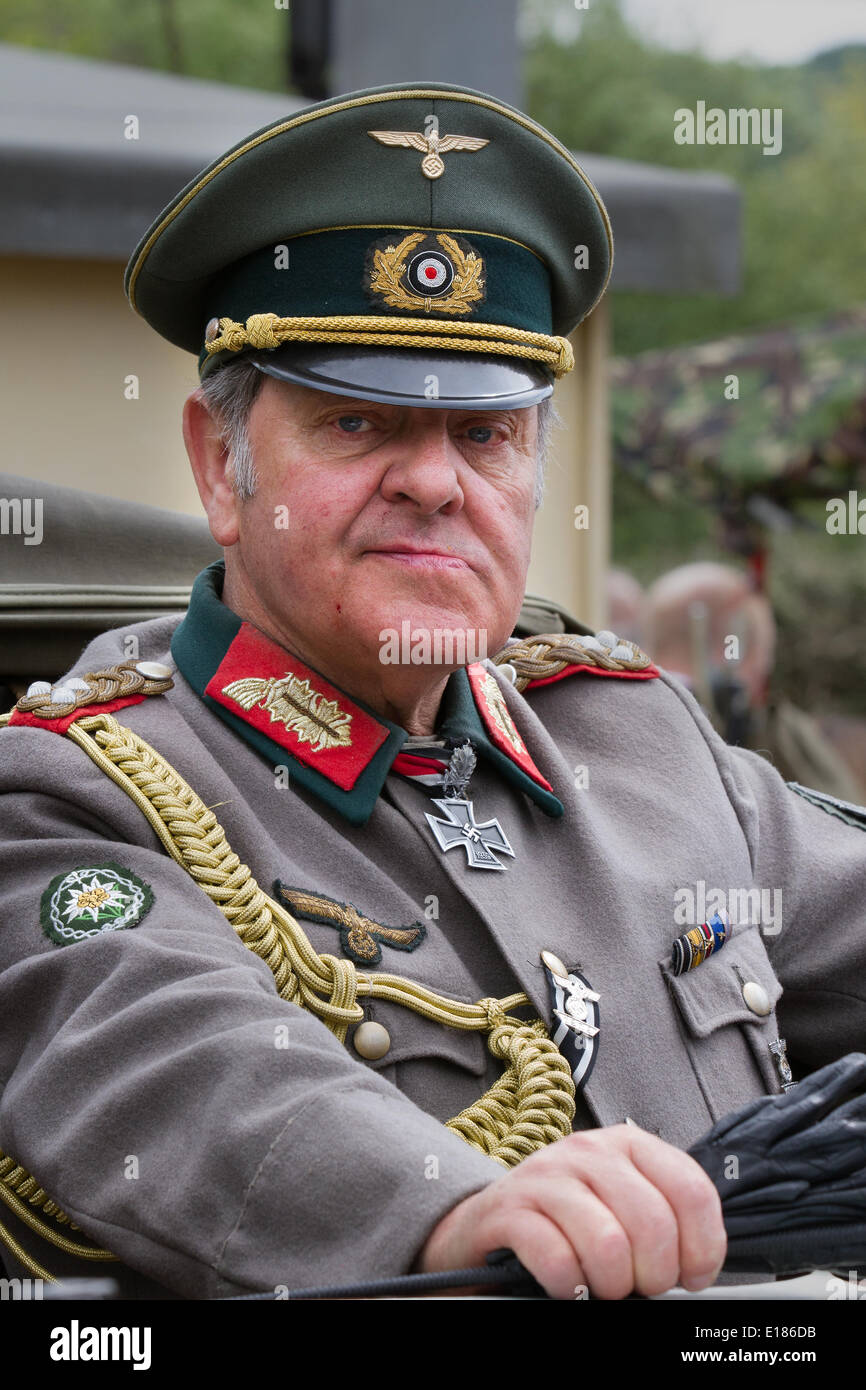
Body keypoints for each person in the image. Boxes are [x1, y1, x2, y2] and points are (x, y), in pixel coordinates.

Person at [1, 81, 864, 1304]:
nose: (436, 484)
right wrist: (456, 1203)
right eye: (358, 423)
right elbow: (170, 1071)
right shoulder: (69, 792)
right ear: (220, 465)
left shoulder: (635, 738)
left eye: (484, 435)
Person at [646, 561, 866, 803]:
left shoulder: (620, 712)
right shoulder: (746, 732)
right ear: (731, 648)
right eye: (763, 657)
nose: (762, 675)